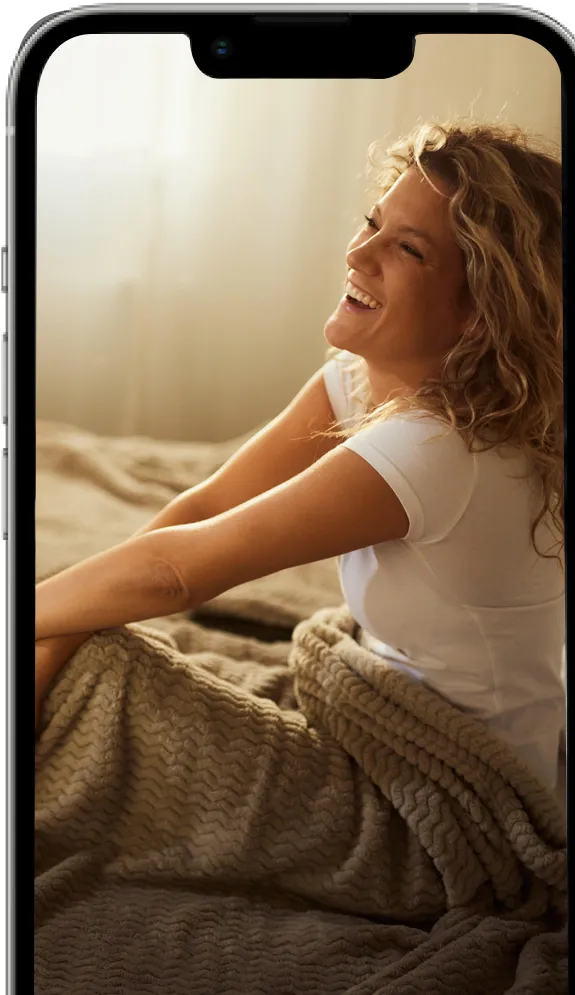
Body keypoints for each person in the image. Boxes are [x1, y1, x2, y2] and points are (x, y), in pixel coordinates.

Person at [35, 120, 565, 794]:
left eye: (407, 249)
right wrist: (53, 632)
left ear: (481, 310)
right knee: (86, 642)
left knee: (103, 679)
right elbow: (200, 509)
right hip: (394, 714)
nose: (359, 253)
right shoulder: (361, 377)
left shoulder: (442, 447)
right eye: (371, 223)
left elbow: (175, 575)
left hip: (466, 787)